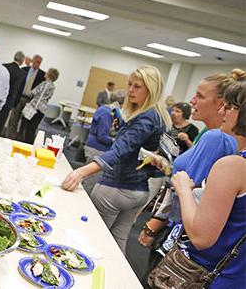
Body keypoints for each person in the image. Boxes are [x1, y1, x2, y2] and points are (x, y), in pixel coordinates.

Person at [138, 70, 241, 282]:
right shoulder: (224, 146)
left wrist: (182, 190)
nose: (192, 101)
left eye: (229, 107)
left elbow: (200, 230)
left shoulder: (225, 152)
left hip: (197, 258)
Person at [62, 65, 171, 254]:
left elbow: (119, 150)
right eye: (130, 84)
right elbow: (136, 147)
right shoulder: (158, 116)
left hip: (116, 189)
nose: (130, 90)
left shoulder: (146, 118)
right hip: (138, 191)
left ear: (151, 89)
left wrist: (81, 171)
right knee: (117, 244)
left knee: (90, 240)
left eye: (137, 86)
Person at [170, 70, 245, 288]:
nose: (221, 111)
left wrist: (184, 189)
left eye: (229, 107)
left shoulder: (233, 166)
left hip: (210, 276)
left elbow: (201, 238)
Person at [82, 89, 126, 194]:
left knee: (89, 180)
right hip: (97, 149)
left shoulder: (106, 110)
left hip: (96, 148)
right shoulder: (107, 113)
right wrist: (116, 141)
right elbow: (102, 136)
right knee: (90, 182)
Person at [7, 54, 45, 139]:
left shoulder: (42, 75)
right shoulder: (24, 70)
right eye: (36, 61)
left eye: (39, 62)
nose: (37, 64)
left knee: (25, 121)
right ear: (32, 61)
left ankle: (21, 138)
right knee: (14, 118)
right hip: (20, 97)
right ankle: (10, 137)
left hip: (30, 101)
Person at [19, 68, 59, 143]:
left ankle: (26, 143)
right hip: (42, 110)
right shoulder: (53, 87)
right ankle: (30, 144)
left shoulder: (44, 83)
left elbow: (32, 93)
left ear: (49, 74)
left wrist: (26, 92)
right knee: (33, 129)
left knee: (27, 128)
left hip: (34, 108)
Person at [0, 51, 26, 137]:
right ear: (22, 61)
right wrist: (15, 105)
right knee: (0, 123)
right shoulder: (22, 73)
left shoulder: (4, 66)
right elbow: (19, 91)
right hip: (9, 101)